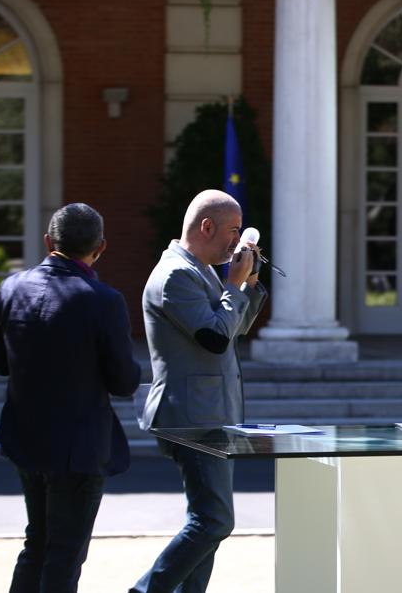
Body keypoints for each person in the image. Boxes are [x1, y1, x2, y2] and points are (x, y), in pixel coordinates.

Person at [0, 203, 141, 593]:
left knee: (37, 542)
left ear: (48, 242)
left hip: (25, 437)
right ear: (101, 247)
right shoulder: (104, 300)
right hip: (79, 447)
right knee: (64, 553)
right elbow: (124, 382)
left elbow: (0, 364)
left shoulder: (11, 288)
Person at [132, 190, 267, 593]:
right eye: (233, 230)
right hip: (190, 418)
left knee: (208, 522)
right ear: (206, 227)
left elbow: (235, 328)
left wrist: (249, 285)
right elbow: (214, 337)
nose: (237, 240)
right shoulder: (175, 275)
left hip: (210, 413)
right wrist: (235, 286)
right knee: (214, 521)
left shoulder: (202, 269)